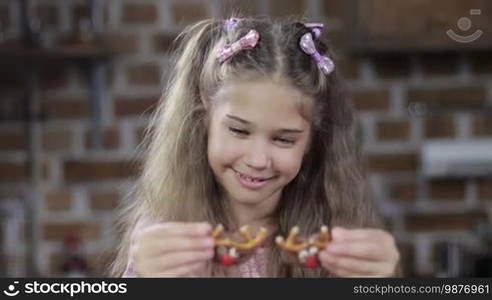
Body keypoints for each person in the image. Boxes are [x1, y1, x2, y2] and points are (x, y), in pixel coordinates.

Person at [110, 17, 400, 277]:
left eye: (284, 139)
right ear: (204, 118)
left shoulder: (336, 239)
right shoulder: (166, 238)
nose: (258, 159)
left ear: (313, 140)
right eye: (238, 130)